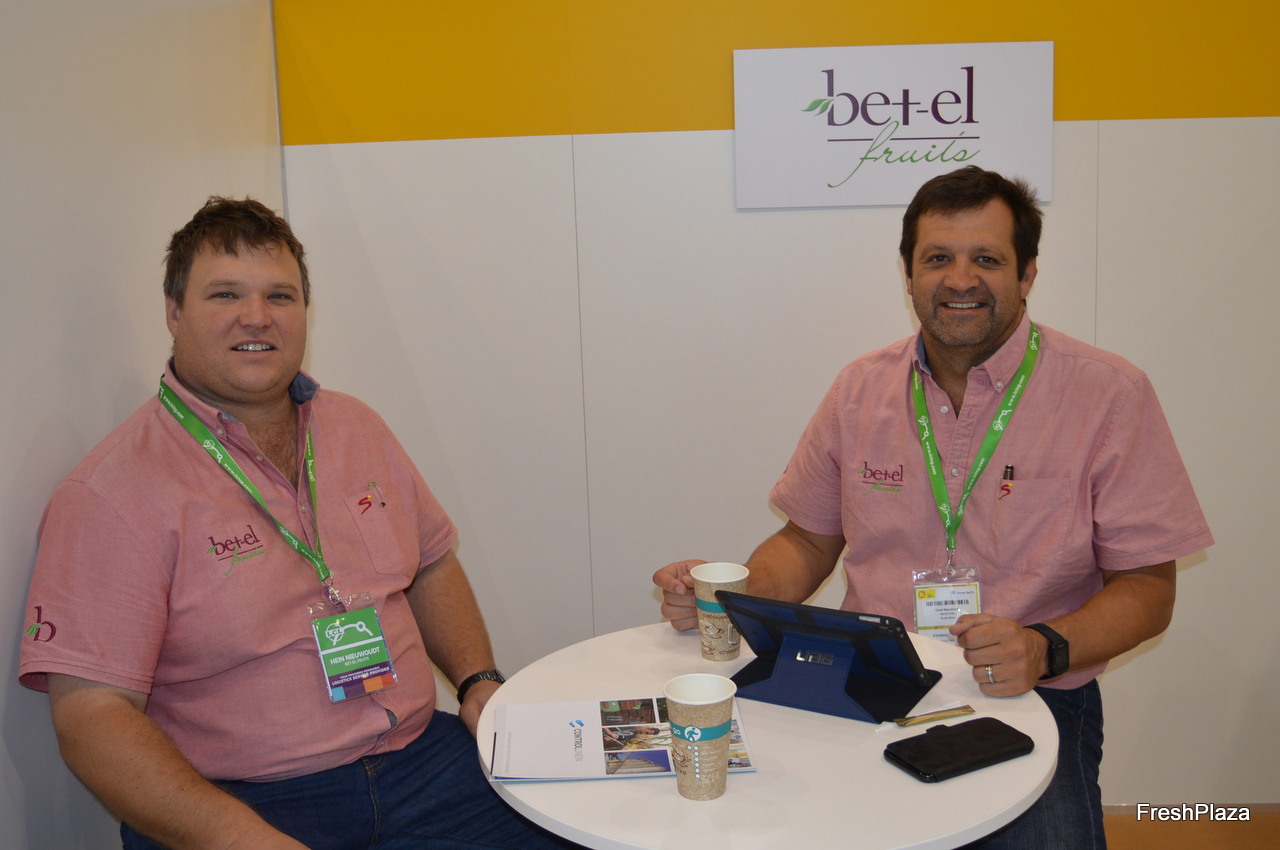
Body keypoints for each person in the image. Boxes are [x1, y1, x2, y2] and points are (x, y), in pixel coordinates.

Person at [653, 166, 1212, 849]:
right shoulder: (859, 390)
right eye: (938, 258)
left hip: (1031, 691)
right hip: (866, 681)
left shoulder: (1109, 395)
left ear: (1028, 273)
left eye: (987, 260)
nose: (960, 280)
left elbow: (1149, 588)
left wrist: (1044, 647)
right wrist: (729, 597)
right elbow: (806, 541)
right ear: (909, 274)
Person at [19, 197, 575, 849]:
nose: (256, 317)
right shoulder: (110, 492)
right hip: (244, 804)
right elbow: (90, 715)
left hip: (424, 765)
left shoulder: (355, 427)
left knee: (587, 831)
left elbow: (429, 564)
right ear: (173, 312)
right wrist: (238, 839)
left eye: (279, 296)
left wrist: (479, 680)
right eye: (225, 294)